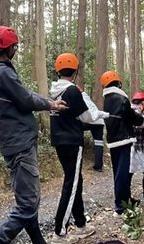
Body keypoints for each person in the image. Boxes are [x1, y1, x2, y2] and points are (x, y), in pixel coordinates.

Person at [0, 26, 67, 244]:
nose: (16, 49)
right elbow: (25, 99)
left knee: (27, 197)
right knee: (27, 204)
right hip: (20, 143)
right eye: (15, 46)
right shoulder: (2, 73)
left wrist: (47, 101)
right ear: (9, 48)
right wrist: (49, 104)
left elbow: (22, 94)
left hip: (13, 142)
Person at [48, 53, 97, 243]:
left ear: (58, 70)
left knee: (76, 181)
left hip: (60, 141)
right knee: (71, 183)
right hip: (72, 142)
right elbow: (86, 117)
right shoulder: (72, 91)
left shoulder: (54, 91)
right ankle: (59, 231)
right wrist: (101, 116)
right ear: (75, 71)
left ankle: (81, 224)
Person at [101, 71, 144, 215]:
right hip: (123, 138)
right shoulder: (121, 97)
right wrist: (142, 120)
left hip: (113, 139)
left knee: (118, 172)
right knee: (123, 172)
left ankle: (126, 199)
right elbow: (130, 116)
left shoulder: (106, 99)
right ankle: (120, 205)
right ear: (117, 82)